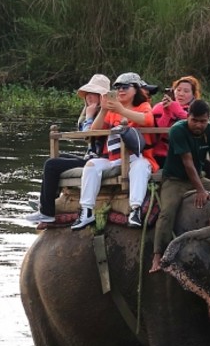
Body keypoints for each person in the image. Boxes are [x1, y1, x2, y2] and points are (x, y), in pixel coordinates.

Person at [24, 73, 110, 226]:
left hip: (98, 161)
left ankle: (47, 211)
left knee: (51, 165)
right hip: (89, 158)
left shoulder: (106, 114)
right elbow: (83, 132)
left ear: (102, 97)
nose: (89, 97)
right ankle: (47, 202)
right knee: (56, 158)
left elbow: (88, 136)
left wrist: (90, 116)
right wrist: (88, 114)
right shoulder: (90, 112)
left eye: (93, 94)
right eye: (88, 94)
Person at [75, 71, 155, 230]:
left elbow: (148, 120)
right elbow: (94, 131)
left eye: (125, 87)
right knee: (91, 165)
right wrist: (104, 109)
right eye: (117, 87)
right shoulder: (111, 110)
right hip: (113, 158)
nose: (121, 90)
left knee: (140, 167)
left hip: (136, 156)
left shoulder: (143, 106)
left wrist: (122, 110)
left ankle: (135, 209)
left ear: (136, 89)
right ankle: (87, 210)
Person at [152, 98, 210, 263]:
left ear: (208, 119)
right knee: (167, 212)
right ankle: (158, 254)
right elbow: (188, 162)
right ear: (187, 117)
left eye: (203, 121)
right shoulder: (178, 130)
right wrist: (200, 190)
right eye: (194, 121)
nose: (199, 125)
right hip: (175, 179)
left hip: (197, 177)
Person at [148, 75, 200, 170]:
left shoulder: (196, 109)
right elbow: (157, 131)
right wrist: (167, 112)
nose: (181, 94)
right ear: (173, 91)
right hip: (161, 154)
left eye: (186, 91)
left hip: (186, 153)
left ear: (193, 95)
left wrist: (176, 108)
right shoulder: (159, 107)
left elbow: (196, 124)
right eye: (178, 90)